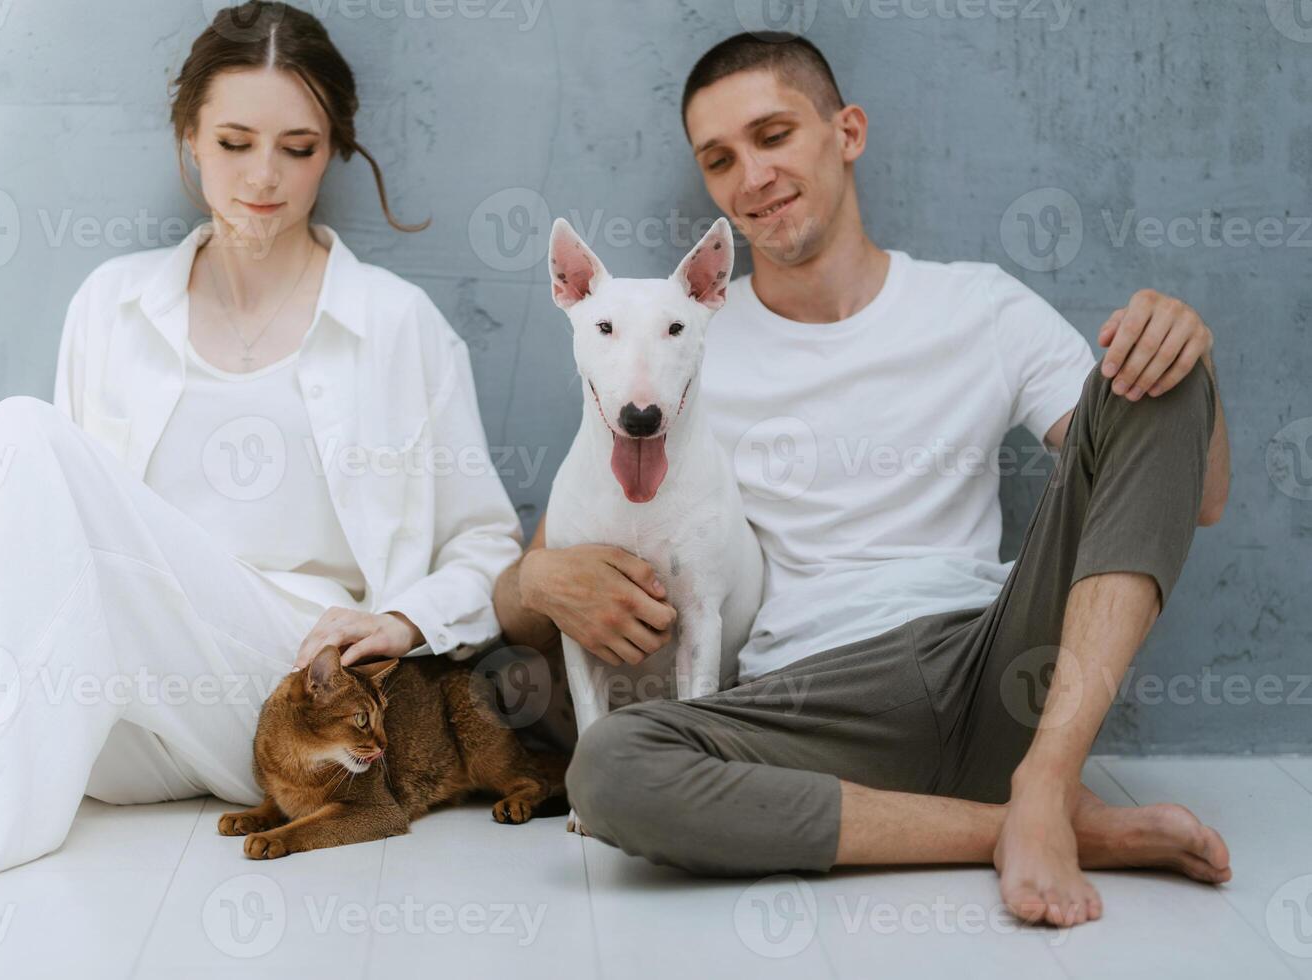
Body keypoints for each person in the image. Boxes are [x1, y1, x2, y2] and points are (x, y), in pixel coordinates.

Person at [493, 32, 1233, 929]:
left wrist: (1181, 357)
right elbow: (535, 581)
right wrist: (539, 579)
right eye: (719, 158)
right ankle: (1022, 825)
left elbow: (1189, 497)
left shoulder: (981, 306)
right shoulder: (672, 345)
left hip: (995, 661)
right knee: (609, 770)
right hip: (805, 703)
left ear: (847, 132)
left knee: (1157, 364)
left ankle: (1046, 778)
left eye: (773, 135)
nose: (750, 176)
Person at [0, 0, 521, 919]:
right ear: (188, 138)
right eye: (236, 142)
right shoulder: (113, 302)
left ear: (334, 153)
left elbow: (489, 543)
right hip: (111, 704)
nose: (265, 177)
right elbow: (50, 529)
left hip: (277, 699)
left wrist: (405, 617)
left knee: (27, 432)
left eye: (299, 147)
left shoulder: (396, 325)